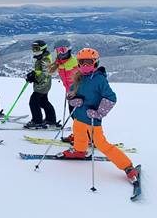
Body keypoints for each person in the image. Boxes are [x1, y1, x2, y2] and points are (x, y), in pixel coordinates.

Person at [59, 48, 140, 183]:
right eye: (82, 62)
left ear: (95, 63)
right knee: (78, 134)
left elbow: (111, 98)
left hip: (92, 119)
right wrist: (73, 100)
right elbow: (71, 93)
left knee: (101, 144)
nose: (85, 65)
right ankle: (79, 151)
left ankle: (128, 167)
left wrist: (98, 113)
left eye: (88, 62)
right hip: (79, 116)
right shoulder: (78, 77)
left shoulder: (99, 80)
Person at [24, 40, 59, 129]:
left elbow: (46, 73)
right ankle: (50, 119)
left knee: (33, 101)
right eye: (33, 48)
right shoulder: (41, 57)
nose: (34, 50)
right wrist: (33, 74)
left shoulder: (45, 59)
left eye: (36, 48)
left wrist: (35, 78)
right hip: (42, 84)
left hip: (43, 84)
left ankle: (37, 121)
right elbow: (40, 71)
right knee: (43, 102)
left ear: (42, 49)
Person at [49, 39, 79, 141]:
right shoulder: (60, 63)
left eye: (63, 50)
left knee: (79, 117)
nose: (60, 53)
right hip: (70, 93)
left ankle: (87, 138)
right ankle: (79, 135)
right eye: (58, 51)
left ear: (69, 50)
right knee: (74, 116)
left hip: (79, 94)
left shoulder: (75, 63)